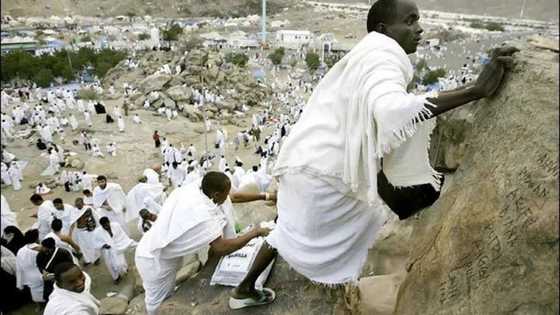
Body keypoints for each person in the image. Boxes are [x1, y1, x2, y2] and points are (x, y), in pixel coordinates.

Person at [229, 0, 518, 308]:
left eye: (418, 20)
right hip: (325, 174)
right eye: (409, 21)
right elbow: (391, 110)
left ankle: (244, 289)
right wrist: (475, 90)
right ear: (383, 29)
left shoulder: (367, 53)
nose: (419, 28)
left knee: (288, 228)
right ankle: (335, 290)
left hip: (307, 161)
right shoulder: (383, 58)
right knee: (365, 222)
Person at [134, 172, 271, 315]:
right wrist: (254, 233)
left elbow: (232, 197)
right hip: (154, 261)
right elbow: (220, 248)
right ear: (217, 194)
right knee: (157, 303)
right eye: (226, 193)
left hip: (157, 248)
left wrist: (266, 196)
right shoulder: (202, 215)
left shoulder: (197, 188)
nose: (228, 197)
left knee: (166, 295)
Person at [99, 216, 136, 283]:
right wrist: (103, 245)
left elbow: (122, 235)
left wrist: (120, 243)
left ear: (109, 222)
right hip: (108, 251)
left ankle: (124, 268)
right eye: (104, 226)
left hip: (118, 246)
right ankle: (116, 277)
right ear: (101, 226)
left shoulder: (116, 225)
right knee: (110, 264)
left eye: (107, 224)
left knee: (120, 264)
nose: (106, 227)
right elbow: (96, 242)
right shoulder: (99, 232)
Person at [16, 229, 45, 304]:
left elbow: (18, 268)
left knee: (34, 292)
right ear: (36, 238)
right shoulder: (39, 250)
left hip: (28, 276)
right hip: (40, 275)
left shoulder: (20, 251)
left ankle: (38, 305)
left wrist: (19, 282)